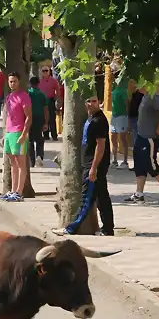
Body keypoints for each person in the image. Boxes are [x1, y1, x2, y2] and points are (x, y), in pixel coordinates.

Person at [52, 93, 114, 236]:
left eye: (94, 101)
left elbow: (101, 145)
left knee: (87, 198)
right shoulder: (90, 118)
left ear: (99, 102)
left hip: (94, 166)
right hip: (89, 165)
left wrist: (93, 168)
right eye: (89, 101)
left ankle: (71, 228)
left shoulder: (99, 120)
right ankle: (108, 228)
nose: (91, 103)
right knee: (102, 198)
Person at [124, 86, 159, 204]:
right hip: (141, 136)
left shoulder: (153, 96)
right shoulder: (144, 97)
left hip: (150, 138)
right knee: (139, 164)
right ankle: (139, 194)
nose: (135, 85)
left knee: (150, 163)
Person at [0, 72, 32, 202]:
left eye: (14, 81)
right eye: (10, 81)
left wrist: (24, 134)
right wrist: (5, 134)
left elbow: (29, 116)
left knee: (21, 164)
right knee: (12, 163)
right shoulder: (8, 97)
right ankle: (13, 190)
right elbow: (7, 117)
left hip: (19, 132)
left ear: (19, 82)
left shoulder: (24, 96)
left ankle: (19, 192)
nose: (12, 83)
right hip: (9, 133)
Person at [27, 76, 48, 167]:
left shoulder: (28, 94)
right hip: (40, 118)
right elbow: (46, 110)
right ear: (38, 83)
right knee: (39, 139)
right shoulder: (42, 94)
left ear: (30, 84)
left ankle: (32, 160)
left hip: (30, 117)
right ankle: (39, 155)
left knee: (30, 140)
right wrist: (46, 122)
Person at [110, 79, 130, 168]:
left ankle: (125, 161)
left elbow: (127, 104)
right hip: (114, 116)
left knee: (123, 138)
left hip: (122, 116)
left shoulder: (123, 91)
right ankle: (114, 160)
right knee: (113, 137)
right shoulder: (114, 90)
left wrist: (127, 117)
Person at [40, 65, 60, 141]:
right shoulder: (40, 81)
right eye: (43, 71)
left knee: (52, 118)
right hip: (42, 102)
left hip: (50, 100)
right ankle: (45, 135)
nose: (45, 72)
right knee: (44, 118)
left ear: (49, 72)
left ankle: (54, 135)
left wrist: (56, 97)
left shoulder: (53, 80)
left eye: (46, 70)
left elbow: (57, 89)